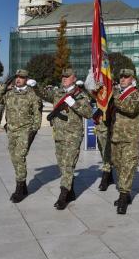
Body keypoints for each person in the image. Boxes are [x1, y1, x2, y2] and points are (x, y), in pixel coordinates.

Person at [33, 68, 93, 210]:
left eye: (67, 76)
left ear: (74, 78)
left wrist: (74, 104)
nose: (64, 78)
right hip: (59, 135)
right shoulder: (57, 92)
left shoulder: (80, 95)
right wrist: (35, 87)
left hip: (73, 135)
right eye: (63, 76)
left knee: (68, 165)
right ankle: (70, 191)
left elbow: (89, 113)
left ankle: (63, 195)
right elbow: (43, 94)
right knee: (61, 165)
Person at [0, 69, 42, 203]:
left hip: (25, 131)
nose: (18, 79)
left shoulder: (31, 94)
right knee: (14, 157)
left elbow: (37, 114)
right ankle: (23, 185)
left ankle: (19, 188)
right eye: (16, 77)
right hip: (11, 130)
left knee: (19, 157)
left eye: (21, 77)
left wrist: (33, 130)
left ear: (26, 79)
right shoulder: (10, 93)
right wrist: (4, 85)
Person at [110, 69, 139, 214]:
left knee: (128, 166)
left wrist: (113, 98)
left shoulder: (138, 94)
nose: (123, 79)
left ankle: (123, 196)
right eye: (121, 77)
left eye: (126, 77)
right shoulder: (116, 93)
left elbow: (131, 109)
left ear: (132, 79)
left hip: (130, 137)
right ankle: (126, 192)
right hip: (116, 136)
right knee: (118, 165)